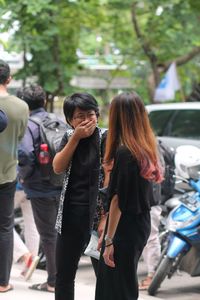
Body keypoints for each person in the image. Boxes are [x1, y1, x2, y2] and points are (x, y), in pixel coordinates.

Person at [95, 91, 163, 300]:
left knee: (116, 288)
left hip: (124, 228)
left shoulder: (126, 153)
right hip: (138, 224)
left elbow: (117, 200)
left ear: (117, 117)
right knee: (122, 283)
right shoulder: (146, 147)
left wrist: (108, 239)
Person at [53, 92, 106, 300]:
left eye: (90, 114)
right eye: (79, 116)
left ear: (98, 115)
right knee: (64, 275)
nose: (85, 120)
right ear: (69, 120)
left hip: (97, 219)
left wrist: (105, 217)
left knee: (104, 276)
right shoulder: (68, 137)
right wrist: (75, 137)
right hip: (70, 216)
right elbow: (57, 167)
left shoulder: (106, 137)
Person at [17, 85, 61, 293]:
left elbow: (24, 155)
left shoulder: (29, 125)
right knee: (60, 232)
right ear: (43, 101)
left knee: (48, 234)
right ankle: (61, 276)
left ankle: (53, 281)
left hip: (40, 186)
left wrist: (24, 177)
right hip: (61, 183)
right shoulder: (57, 121)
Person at [0, 59, 29, 293]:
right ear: (9, 79)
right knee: (4, 227)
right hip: (7, 173)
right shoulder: (21, 107)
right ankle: (3, 282)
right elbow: (19, 139)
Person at [13, 181, 40, 281]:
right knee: (32, 224)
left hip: (14, 184)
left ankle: (25, 255)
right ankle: (29, 265)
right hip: (32, 185)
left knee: (3, 224)